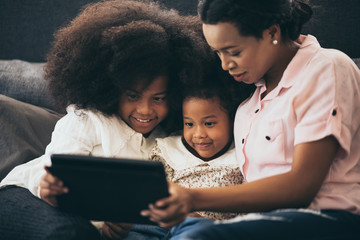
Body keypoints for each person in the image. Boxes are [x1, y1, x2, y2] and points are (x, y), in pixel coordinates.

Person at [141, 0, 360, 239]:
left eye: (234, 52)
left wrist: (192, 197)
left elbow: (302, 187)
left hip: (330, 219)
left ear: (272, 32)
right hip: (266, 223)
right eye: (218, 53)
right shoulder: (248, 107)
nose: (225, 65)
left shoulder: (327, 67)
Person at [0, 1, 210, 240]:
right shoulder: (87, 120)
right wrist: (48, 186)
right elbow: (58, 173)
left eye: (159, 98)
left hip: (87, 221)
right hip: (26, 196)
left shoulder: (165, 141)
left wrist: (116, 226)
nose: (145, 109)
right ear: (111, 89)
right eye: (133, 96)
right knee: (69, 233)